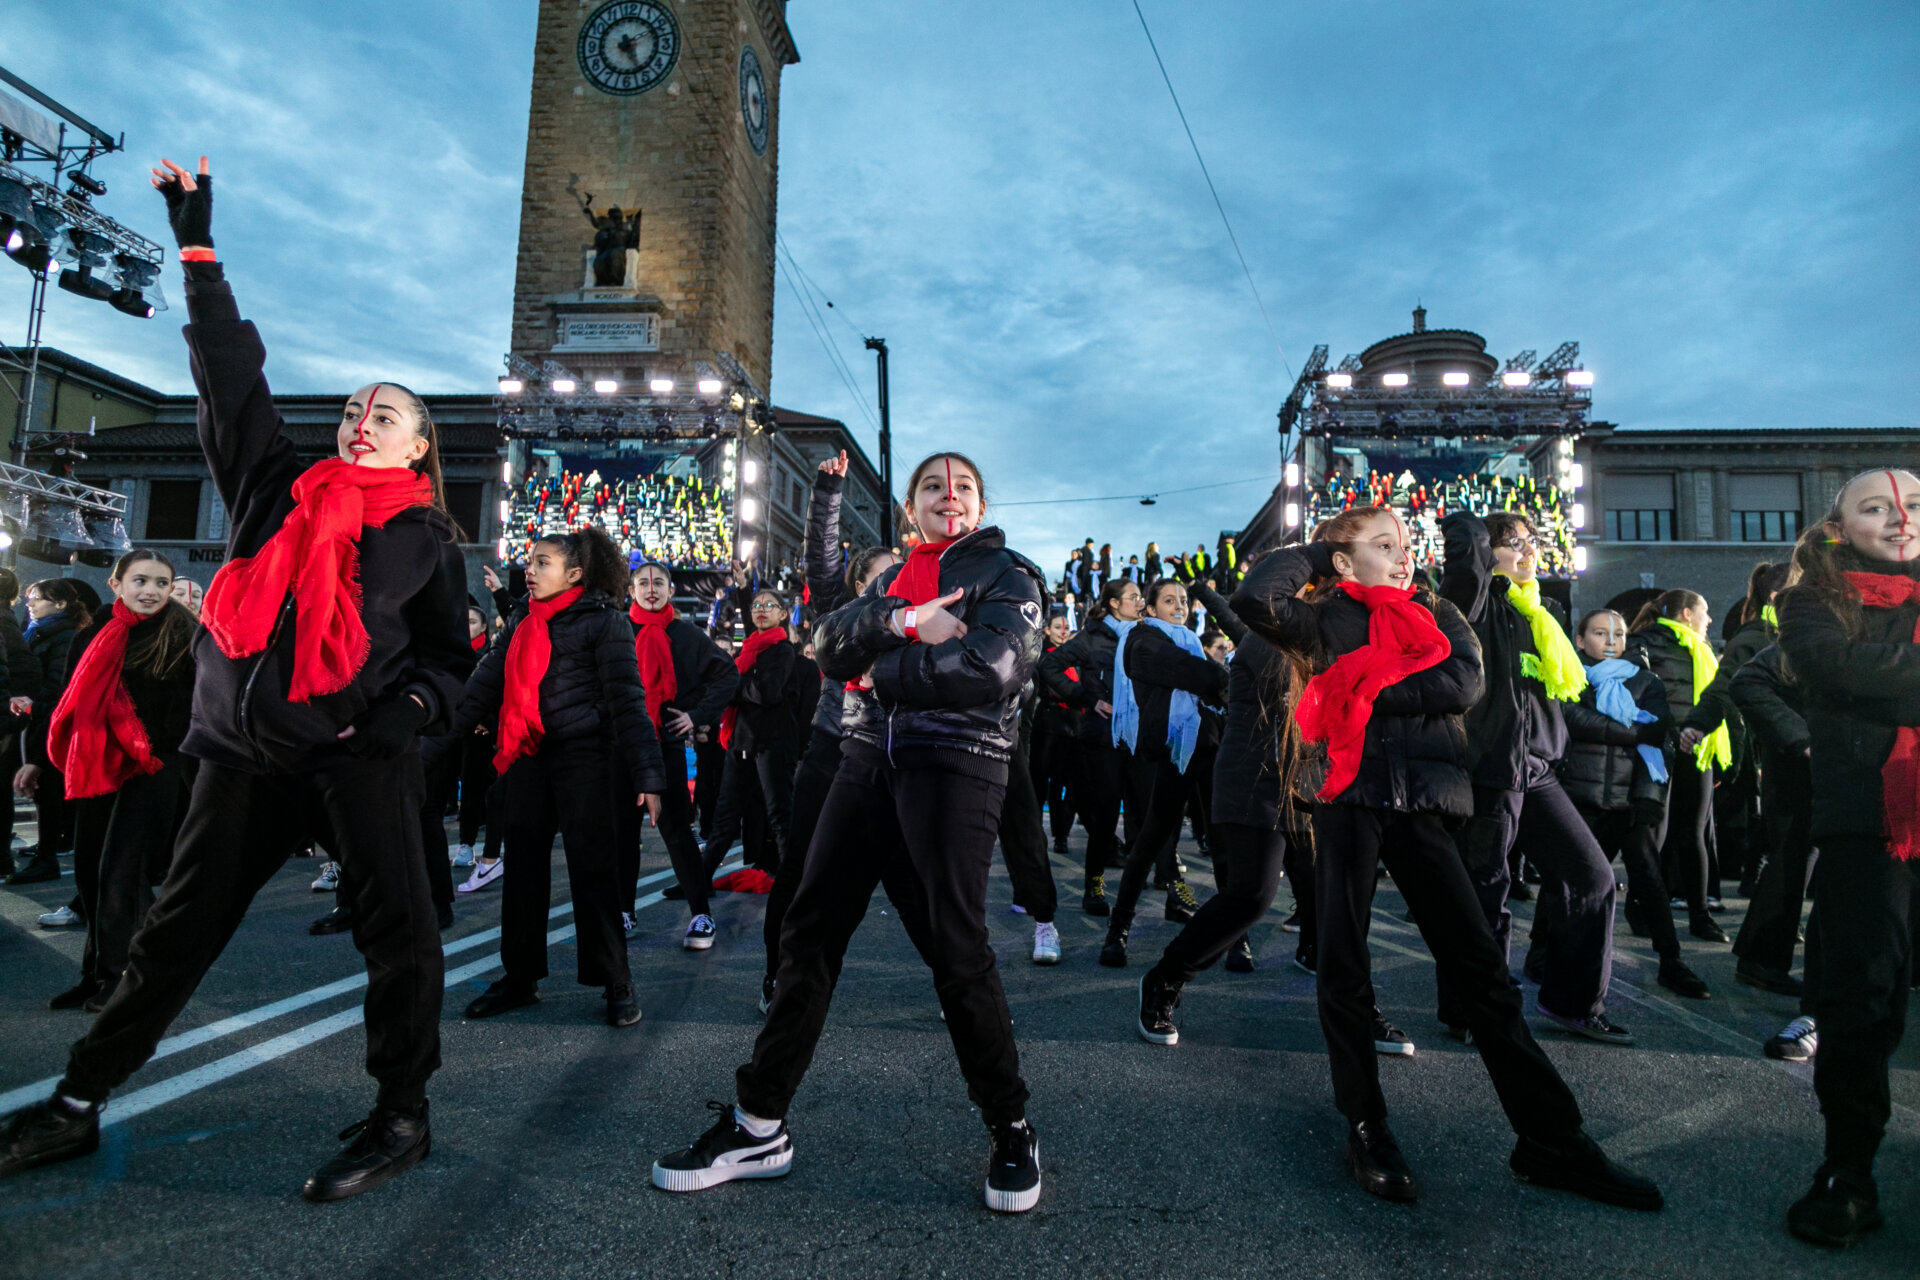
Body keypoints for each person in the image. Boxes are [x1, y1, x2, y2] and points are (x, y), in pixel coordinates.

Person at [0, 155, 474, 1201]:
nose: (362, 418)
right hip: (242, 753)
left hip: (355, 756)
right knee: (175, 934)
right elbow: (228, 376)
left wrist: (406, 712)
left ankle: (403, 1116)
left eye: (386, 413)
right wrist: (197, 248)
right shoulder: (274, 483)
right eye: (355, 405)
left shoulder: (429, 536)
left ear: (419, 445)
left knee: (402, 939)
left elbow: (452, 659)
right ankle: (77, 1101)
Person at [1227, 506, 1660, 1210]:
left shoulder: (1437, 615)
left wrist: (1356, 690)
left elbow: (1464, 682)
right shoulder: (1318, 621)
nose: (1403, 556)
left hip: (1425, 805)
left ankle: (1551, 1139)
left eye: (1405, 545)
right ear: (1341, 562)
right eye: (1382, 546)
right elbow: (1253, 597)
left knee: (1483, 972)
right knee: (1344, 969)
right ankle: (1368, 1127)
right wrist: (1321, 551)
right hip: (1347, 802)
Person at [651, 450, 1048, 1213]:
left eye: (962, 485)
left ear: (981, 501)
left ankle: (1010, 1126)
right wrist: (899, 621)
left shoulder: (1010, 574)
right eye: (932, 486)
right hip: (865, 757)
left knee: (958, 949)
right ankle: (758, 1122)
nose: (948, 495)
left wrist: (883, 669)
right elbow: (829, 647)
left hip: (955, 760)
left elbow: (991, 665)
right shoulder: (889, 581)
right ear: (911, 507)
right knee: (809, 930)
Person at [1773, 469, 1920, 1246]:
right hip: (1869, 823)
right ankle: (1848, 1170)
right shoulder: (1810, 602)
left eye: (1915, 505)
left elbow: (1878, 679)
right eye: (1877, 507)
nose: (1900, 518)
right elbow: (1840, 669)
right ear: (1840, 525)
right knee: (1863, 1001)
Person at [455, 529, 665, 1026]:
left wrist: (649, 775)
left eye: (542, 563)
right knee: (522, 870)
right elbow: (481, 686)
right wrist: (423, 746)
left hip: (586, 760)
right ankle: (520, 978)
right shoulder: (522, 620)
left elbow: (628, 703)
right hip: (528, 758)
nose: (530, 570)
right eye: (530, 561)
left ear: (574, 574)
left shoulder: (606, 622)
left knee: (594, 871)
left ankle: (616, 979)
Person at [1437, 510, 1626, 1045]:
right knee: (1483, 896)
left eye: (1531, 541)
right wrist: (1474, 524)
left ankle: (1572, 1003)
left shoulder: (1540, 612)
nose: (1528, 551)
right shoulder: (1470, 604)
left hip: (1538, 771)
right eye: (1514, 543)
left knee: (1592, 878)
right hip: (1488, 772)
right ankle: (1473, 1009)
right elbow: (1467, 559)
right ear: (1487, 551)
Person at [22, 551, 195, 1013]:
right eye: (140, 580)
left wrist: (152, 750)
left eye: (162, 582)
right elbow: (68, 699)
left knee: (123, 875)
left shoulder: (185, 634)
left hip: (151, 770)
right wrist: (39, 760)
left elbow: (195, 709)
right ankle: (96, 973)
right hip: (97, 766)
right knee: (91, 872)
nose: (151, 591)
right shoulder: (96, 632)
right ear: (117, 583)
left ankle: (125, 980)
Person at [759, 451, 896, 1010]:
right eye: (883, 574)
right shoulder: (839, 611)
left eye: (900, 573)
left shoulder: (917, 620)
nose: (895, 582)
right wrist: (827, 492)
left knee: (920, 882)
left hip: (893, 757)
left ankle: (960, 986)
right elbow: (820, 556)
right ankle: (779, 974)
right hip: (831, 749)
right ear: (859, 583)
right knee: (803, 868)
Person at [1557, 609, 1709, 999]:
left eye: (1619, 634)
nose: (1610, 642)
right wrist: (1634, 731)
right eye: (1599, 633)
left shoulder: (1646, 682)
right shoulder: (1569, 677)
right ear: (1579, 640)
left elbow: (1659, 740)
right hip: (1582, 798)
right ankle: (1543, 956)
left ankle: (1671, 962)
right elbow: (1573, 720)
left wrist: (1648, 800)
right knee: (1565, 886)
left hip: (1631, 802)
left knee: (1650, 882)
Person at [1093, 578, 1227, 966]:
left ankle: (1237, 940)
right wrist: (1219, 679)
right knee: (1149, 842)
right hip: (1171, 754)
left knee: (1221, 847)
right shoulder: (1143, 641)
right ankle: (1117, 932)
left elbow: (1202, 678)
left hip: (1209, 748)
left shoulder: (1187, 641)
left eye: (1183, 600)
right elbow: (1203, 677)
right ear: (1150, 609)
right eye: (1169, 600)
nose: (1179, 606)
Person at [623, 559, 735, 948]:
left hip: (666, 743)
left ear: (671, 591)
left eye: (659, 583)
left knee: (675, 831)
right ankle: (624, 911)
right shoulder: (619, 630)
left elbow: (727, 675)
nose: (650, 589)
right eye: (642, 583)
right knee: (622, 830)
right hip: (622, 746)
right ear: (631, 590)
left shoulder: (686, 635)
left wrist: (697, 715)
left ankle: (702, 914)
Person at [1627, 588, 1736, 943]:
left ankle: (1700, 916)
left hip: (1698, 751)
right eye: (1705, 612)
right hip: (1659, 749)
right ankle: (1640, 906)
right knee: (1654, 835)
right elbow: (1637, 694)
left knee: (1694, 834)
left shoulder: (1703, 649)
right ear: (1687, 613)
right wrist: (1670, 731)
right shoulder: (1644, 642)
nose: (1709, 620)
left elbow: (1717, 699)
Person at [1730, 640, 1819, 1057]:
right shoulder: (1805, 626)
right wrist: (1801, 739)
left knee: (1797, 860)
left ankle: (1762, 958)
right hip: (1798, 768)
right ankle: (1763, 960)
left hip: (1802, 764)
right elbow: (1742, 681)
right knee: (1793, 860)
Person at [1039, 578, 1144, 917]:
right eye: (1133, 597)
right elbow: (1049, 665)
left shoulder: (1147, 635)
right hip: (1101, 738)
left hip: (1142, 737)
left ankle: (1147, 887)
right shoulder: (1092, 636)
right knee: (1105, 817)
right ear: (1114, 603)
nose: (1140, 602)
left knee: (1142, 818)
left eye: (1142, 597)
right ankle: (1093, 885)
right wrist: (1087, 697)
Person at [703, 587, 806, 877]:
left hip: (772, 743)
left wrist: (736, 684)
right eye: (756, 605)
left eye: (769, 605)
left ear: (783, 614)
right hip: (741, 741)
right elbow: (753, 688)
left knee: (779, 814)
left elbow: (768, 693)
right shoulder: (748, 648)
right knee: (725, 815)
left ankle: (791, 883)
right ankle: (699, 879)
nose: (761, 609)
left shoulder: (782, 650)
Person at [7, 578, 89, 886]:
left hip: (50, 722)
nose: (30, 604)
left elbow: (58, 688)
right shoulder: (39, 631)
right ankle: (46, 850)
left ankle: (48, 858)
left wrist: (31, 705)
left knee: (46, 790)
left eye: (37, 598)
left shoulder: (64, 637)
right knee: (43, 790)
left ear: (60, 604)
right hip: (39, 719)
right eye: (29, 598)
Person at [1031, 611, 1082, 858]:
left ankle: (1061, 835)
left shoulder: (1075, 659)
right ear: (1047, 631)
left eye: (1066, 627)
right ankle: (1036, 835)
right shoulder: (1042, 657)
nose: (1063, 632)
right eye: (1058, 627)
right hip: (1048, 727)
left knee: (1066, 785)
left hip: (1072, 728)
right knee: (1041, 783)